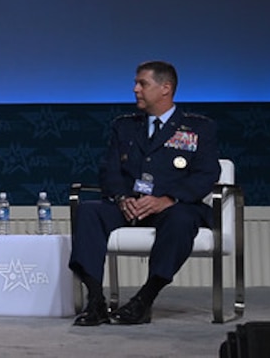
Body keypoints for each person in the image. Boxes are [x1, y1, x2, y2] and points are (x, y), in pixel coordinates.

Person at [68, 60, 219, 326]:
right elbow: (110, 170)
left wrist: (168, 199)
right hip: (129, 205)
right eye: (136, 83)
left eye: (142, 83)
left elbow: (207, 174)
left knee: (182, 220)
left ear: (165, 88)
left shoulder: (198, 128)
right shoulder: (124, 126)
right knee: (89, 212)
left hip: (171, 207)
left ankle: (144, 300)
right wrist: (121, 198)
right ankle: (95, 301)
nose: (135, 89)